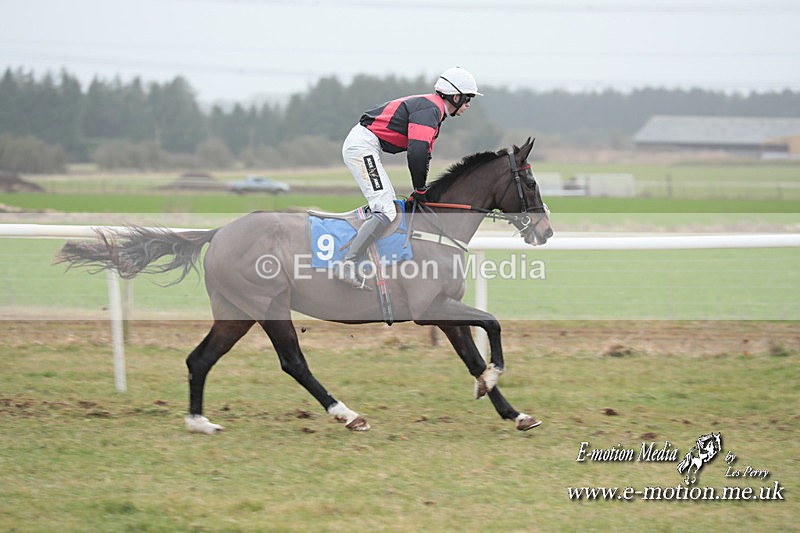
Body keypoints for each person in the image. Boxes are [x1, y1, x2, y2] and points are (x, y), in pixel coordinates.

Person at [336, 66, 482, 289]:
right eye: (468, 99)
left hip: (366, 144)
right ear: (456, 97)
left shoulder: (433, 111)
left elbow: (423, 156)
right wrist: (420, 189)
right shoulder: (430, 110)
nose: (469, 105)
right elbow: (417, 153)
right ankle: (347, 264)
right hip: (362, 146)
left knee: (387, 205)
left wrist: (420, 188)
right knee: (386, 209)